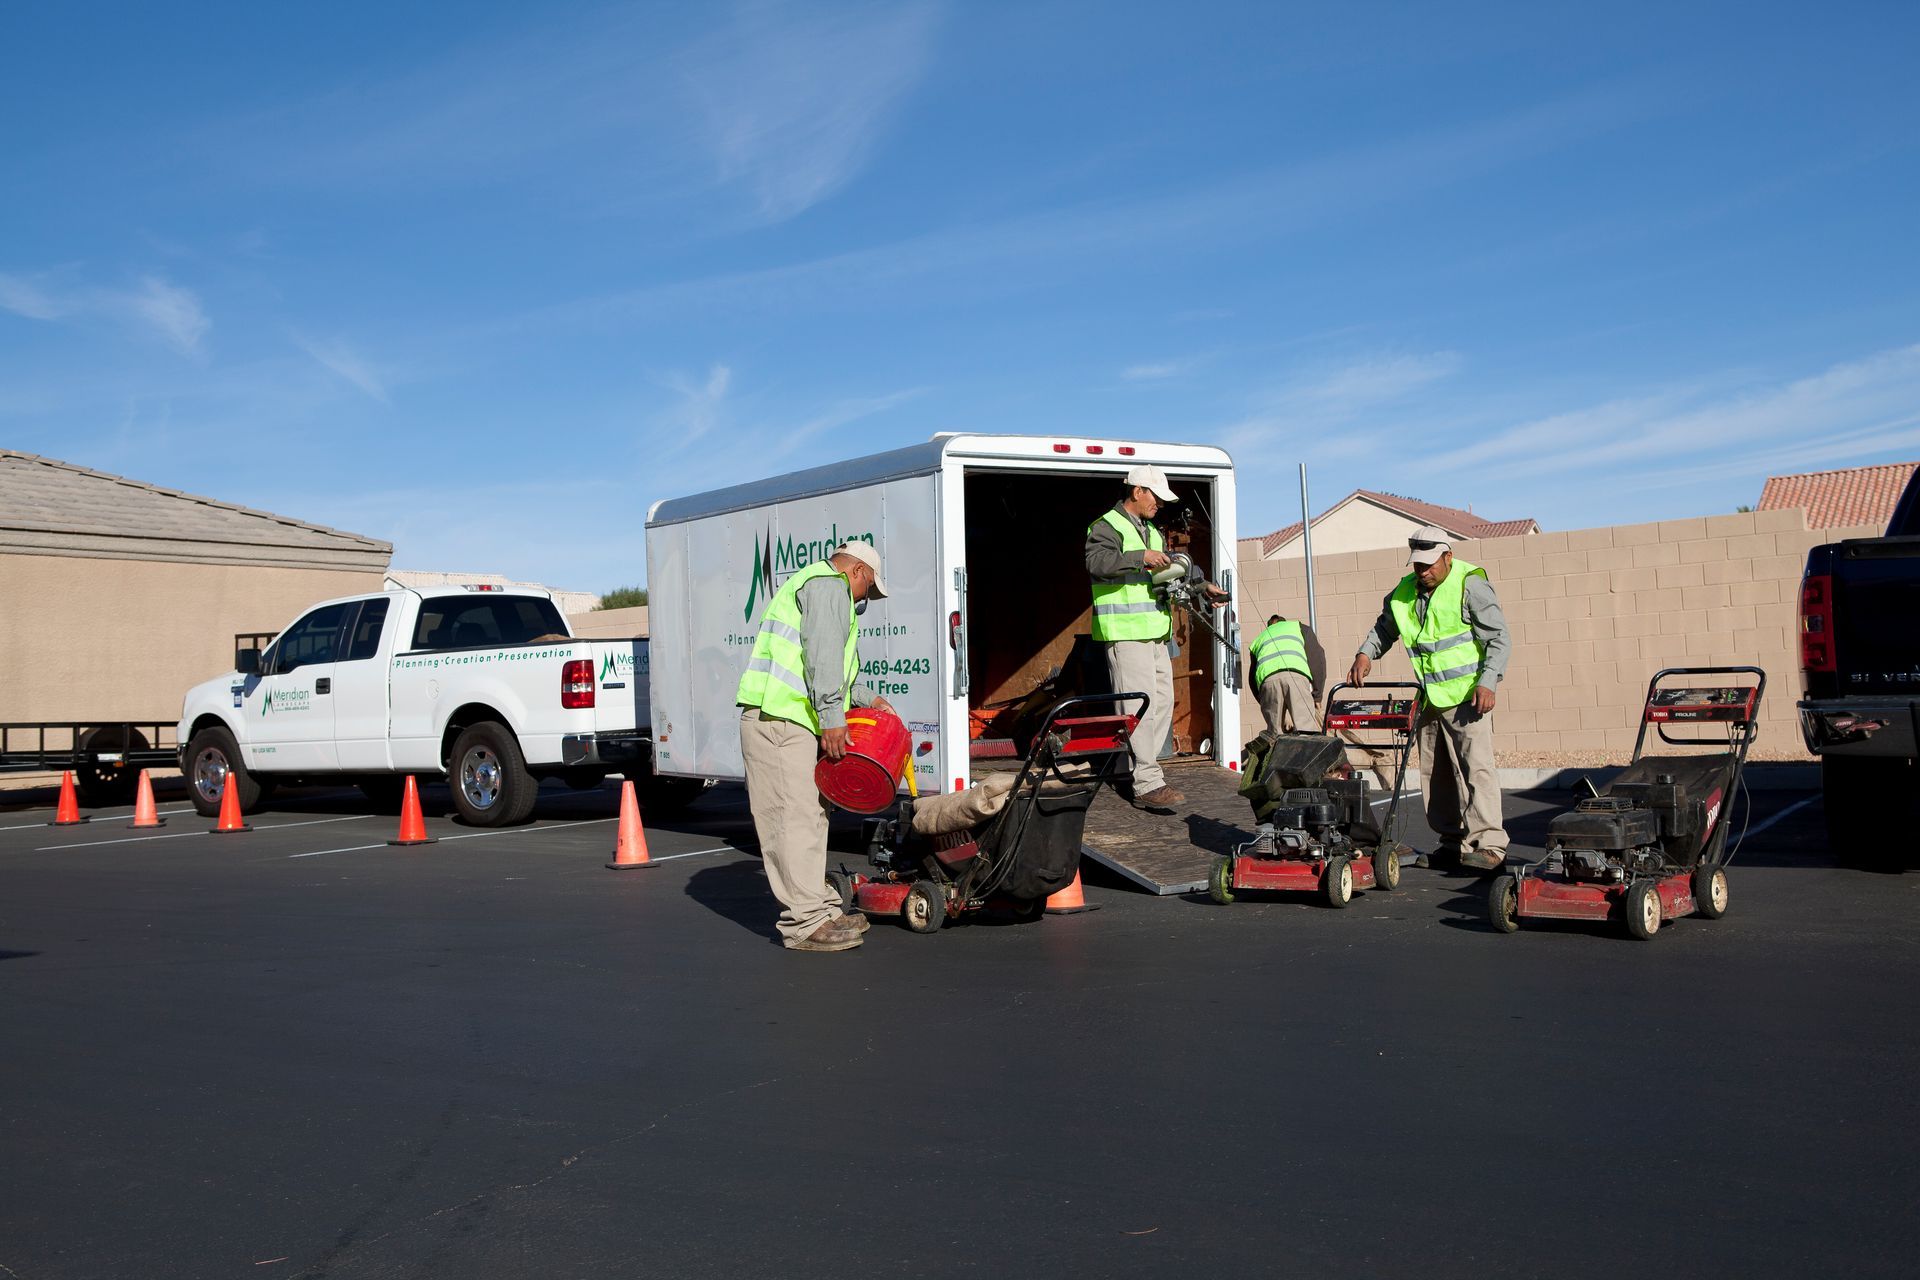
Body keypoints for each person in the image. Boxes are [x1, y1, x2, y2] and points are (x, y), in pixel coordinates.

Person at [736, 540, 894, 952]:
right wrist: (832, 719)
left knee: (809, 816)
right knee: (791, 820)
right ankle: (804, 923)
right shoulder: (829, 587)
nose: (867, 600)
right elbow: (822, 657)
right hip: (778, 720)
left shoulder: (818, 586)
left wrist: (865, 698)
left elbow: (826, 664)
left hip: (789, 720)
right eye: (869, 590)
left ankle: (819, 907)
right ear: (857, 570)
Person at [1346, 525, 1512, 871]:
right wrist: (1365, 654)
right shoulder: (1404, 592)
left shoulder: (1470, 584)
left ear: (1447, 556)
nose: (1423, 571)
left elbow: (1498, 638)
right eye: (1418, 565)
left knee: (1476, 770)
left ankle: (1490, 845)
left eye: (1429, 564)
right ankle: (1451, 842)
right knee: (1436, 774)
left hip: (1468, 697)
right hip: (1431, 698)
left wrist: (1488, 681)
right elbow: (1384, 628)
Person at [1084, 464, 1227, 810]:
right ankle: (1147, 782)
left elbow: (1169, 572)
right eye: (1156, 497)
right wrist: (1140, 558)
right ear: (1138, 492)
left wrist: (1201, 585)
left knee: (1161, 703)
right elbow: (1096, 562)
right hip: (1125, 634)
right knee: (1138, 708)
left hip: (1155, 634)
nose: (1160, 505)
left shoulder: (1151, 531)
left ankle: (1140, 768)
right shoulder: (1106, 526)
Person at [1249, 613, 1326, 735]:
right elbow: (1317, 659)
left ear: (1269, 625)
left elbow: (1252, 678)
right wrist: (1317, 695)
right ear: (1284, 622)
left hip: (1268, 682)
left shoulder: (1260, 638)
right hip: (1296, 677)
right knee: (1305, 731)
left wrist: (1264, 700)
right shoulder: (1298, 627)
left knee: (1275, 735)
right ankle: (1305, 752)